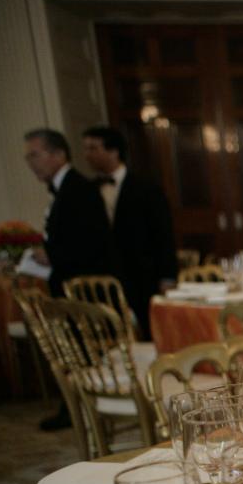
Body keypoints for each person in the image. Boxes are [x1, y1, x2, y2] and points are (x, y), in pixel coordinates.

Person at [23, 128, 112, 431]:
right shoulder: (65, 190)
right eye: (28, 157)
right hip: (68, 286)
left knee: (80, 350)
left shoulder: (79, 189)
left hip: (82, 290)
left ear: (58, 154)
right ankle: (79, 407)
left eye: (35, 154)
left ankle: (82, 408)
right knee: (73, 351)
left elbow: (92, 242)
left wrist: (51, 255)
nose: (31, 163)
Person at [82, 126, 178, 338]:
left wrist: (167, 277)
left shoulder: (146, 188)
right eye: (86, 148)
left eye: (93, 148)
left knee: (151, 330)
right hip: (105, 277)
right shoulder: (87, 190)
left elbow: (163, 234)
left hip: (142, 274)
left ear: (113, 151)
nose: (87, 154)